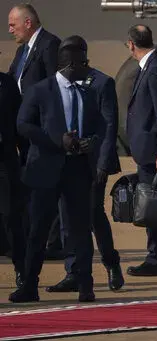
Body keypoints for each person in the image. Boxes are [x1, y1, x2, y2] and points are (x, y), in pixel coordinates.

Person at [9, 36, 105, 303]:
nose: (88, 67)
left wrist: (91, 142)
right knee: (38, 230)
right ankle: (29, 285)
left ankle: (86, 285)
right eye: (84, 62)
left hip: (77, 170)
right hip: (45, 170)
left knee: (80, 229)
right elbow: (23, 125)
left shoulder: (88, 90)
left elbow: (100, 125)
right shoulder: (41, 90)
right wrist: (57, 140)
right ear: (71, 64)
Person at [46, 61, 124, 292]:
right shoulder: (58, 83)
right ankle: (74, 272)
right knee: (65, 216)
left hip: (92, 164)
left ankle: (111, 263)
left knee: (92, 214)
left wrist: (102, 163)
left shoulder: (102, 82)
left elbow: (109, 126)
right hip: (65, 161)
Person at [7, 3, 63, 260]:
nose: (10, 30)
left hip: (41, 131)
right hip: (22, 130)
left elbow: (56, 86)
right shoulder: (21, 51)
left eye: (12, 24)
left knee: (47, 186)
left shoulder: (50, 45)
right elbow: (11, 83)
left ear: (27, 23)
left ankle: (54, 244)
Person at [125, 25, 157, 277]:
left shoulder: (156, 68)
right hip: (146, 150)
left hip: (153, 152)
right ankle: (156, 256)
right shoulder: (151, 65)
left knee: (154, 205)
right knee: (150, 204)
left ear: (131, 44)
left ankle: (156, 259)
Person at [0, 71, 24, 288]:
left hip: (5, 163)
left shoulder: (6, 84)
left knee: (11, 217)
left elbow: (19, 124)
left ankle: (21, 270)